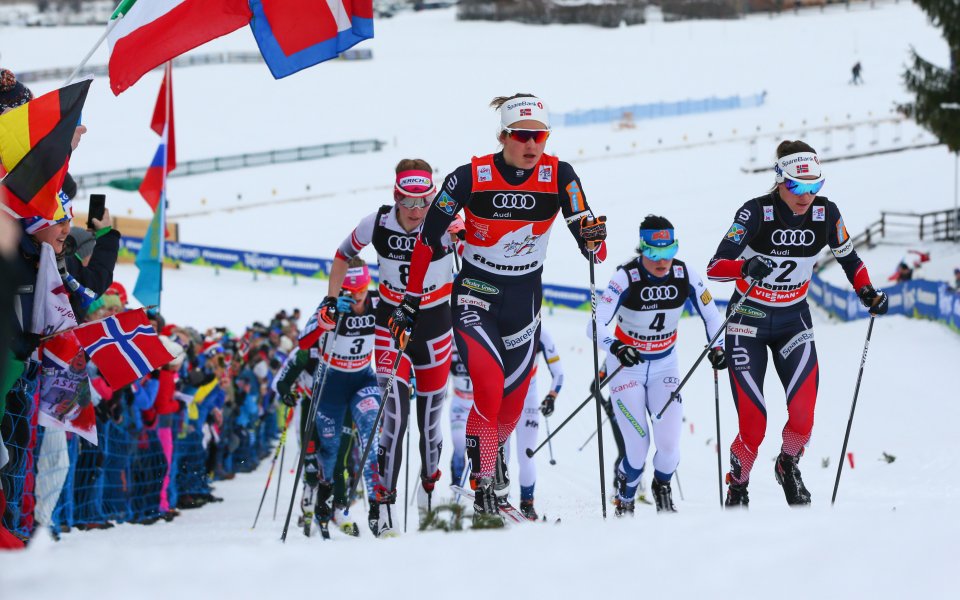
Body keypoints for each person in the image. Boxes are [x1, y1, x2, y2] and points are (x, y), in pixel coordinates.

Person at [388, 93, 607, 525]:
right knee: (486, 389)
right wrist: (410, 301)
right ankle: (482, 483)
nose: (532, 145)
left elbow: (590, 237)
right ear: (504, 135)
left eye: (539, 136)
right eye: (523, 136)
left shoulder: (560, 173)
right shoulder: (469, 176)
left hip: (525, 298)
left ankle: (492, 466)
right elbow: (428, 241)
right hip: (476, 293)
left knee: (510, 406)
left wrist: (593, 239)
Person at [706, 140, 888, 508]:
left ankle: (787, 465)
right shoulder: (755, 212)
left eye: (814, 186)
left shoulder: (826, 214)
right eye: (797, 186)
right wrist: (744, 267)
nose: (806, 195)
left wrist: (866, 290)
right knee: (754, 424)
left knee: (803, 419)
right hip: (747, 323)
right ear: (780, 181)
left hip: (792, 321)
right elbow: (714, 266)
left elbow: (849, 258)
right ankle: (738, 485)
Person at [321, 162, 458, 537]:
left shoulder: (446, 221)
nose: (417, 210)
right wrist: (331, 300)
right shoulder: (378, 223)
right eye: (409, 201)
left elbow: (476, 253)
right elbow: (340, 254)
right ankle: (382, 504)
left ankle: (429, 485)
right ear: (396, 196)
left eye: (425, 200)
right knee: (392, 419)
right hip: (392, 326)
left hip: (435, 327)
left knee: (429, 424)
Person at [595, 215, 726, 515]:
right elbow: (594, 325)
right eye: (654, 254)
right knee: (638, 449)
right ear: (642, 249)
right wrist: (616, 346)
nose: (662, 261)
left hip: (665, 367)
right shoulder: (625, 278)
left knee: (668, 447)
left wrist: (717, 347)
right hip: (626, 368)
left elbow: (712, 315)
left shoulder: (685, 274)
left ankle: (661, 487)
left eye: (669, 252)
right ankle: (626, 496)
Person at [279, 258, 382, 537]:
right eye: (349, 290)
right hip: (330, 387)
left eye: (361, 288)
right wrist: (327, 318)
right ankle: (319, 498)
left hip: (362, 381)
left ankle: (377, 506)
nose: (356, 295)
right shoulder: (330, 305)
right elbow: (303, 343)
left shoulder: (379, 302)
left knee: (368, 438)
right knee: (330, 454)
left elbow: (398, 337)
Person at [505, 325, 563, 520]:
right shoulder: (501, 324)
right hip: (503, 397)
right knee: (500, 454)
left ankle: (527, 503)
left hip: (528, 400)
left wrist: (551, 397)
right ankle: (498, 497)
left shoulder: (542, 334)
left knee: (527, 455)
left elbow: (559, 373)